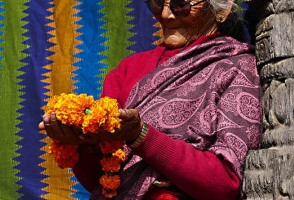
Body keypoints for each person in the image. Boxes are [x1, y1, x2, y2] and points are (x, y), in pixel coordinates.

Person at [39, 0, 262, 199]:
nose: (165, 15)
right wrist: (80, 142)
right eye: (157, 3)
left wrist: (141, 136)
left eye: (180, 4)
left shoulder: (237, 68)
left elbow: (226, 183)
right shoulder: (128, 70)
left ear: (222, 11)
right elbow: (105, 182)